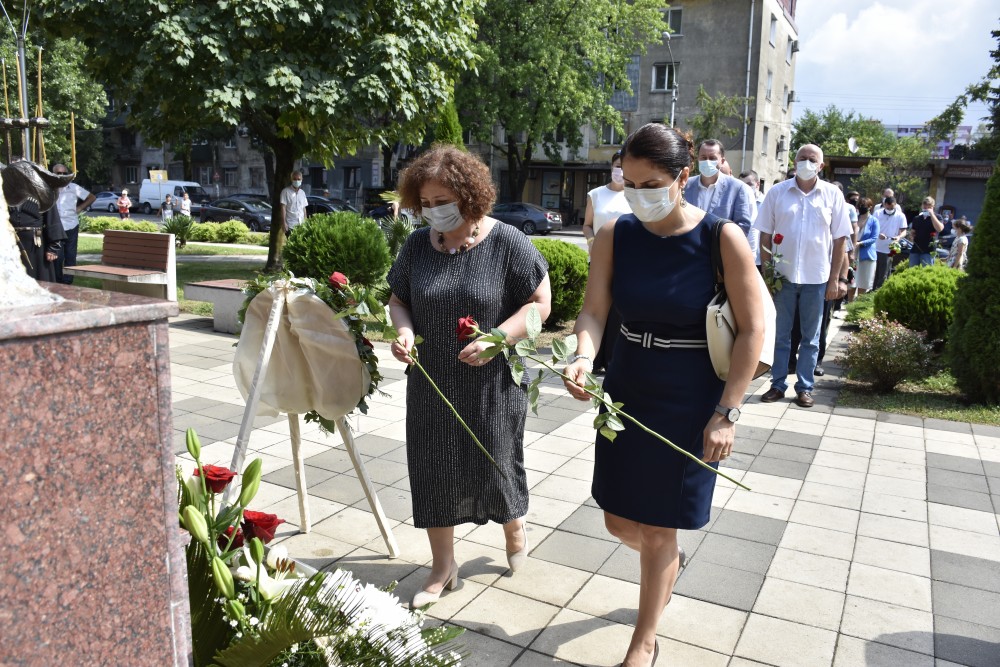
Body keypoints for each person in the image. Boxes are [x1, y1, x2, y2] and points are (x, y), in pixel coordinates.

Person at [563, 123, 764, 667]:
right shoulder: (616, 235)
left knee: (657, 527)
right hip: (627, 387)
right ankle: (667, 562)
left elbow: (752, 330)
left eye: (649, 183)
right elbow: (594, 311)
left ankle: (643, 640)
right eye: (628, 183)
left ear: (682, 178)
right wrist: (583, 355)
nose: (637, 194)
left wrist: (727, 412)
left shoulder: (721, 238)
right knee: (618, 519)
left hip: (691, 395)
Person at [386, 146, 551, 610]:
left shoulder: (507, 241)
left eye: (442, 199)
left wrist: (499, 337)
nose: (433, 209)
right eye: (425, 201)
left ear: (468, 194)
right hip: (431, 380)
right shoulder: (419, 245)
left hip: (492, 382)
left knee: (496, 460)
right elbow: (399, 299)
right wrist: (404, 331)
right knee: (433, 467)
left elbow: (540, 303)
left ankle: (513, 526)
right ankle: (444, 566)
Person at [754, 144, 851, 408]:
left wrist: (836, 280)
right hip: (782, 279)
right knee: (780, 335)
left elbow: (840, 239)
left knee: (811, 337)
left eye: (812, 159)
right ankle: (777, 384)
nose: (806, 162)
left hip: (817, 279)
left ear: (821, 166)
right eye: (802, 158)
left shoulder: (832, 195)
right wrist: (767, 273)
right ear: (794, 162)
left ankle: (805, 387)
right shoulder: (777, 192)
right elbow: (764, 234)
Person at [582, 150, 631, 373]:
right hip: (600, 258)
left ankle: (612, 359)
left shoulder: (633, 194)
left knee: (617, 311)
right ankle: (593, 358)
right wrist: (592, 240)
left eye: (623, 166)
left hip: (624, 260)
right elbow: (587, 224)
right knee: (596, 306)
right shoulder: (596, 194)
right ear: (611, 167)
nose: (619, 170)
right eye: (616, 165)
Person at [684, 140, 755, 244]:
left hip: (721, 253)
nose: (707, 161)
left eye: (712, 158)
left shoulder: (737, 188)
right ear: (698, 159)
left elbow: (742, 226)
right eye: (703, 158)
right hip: (689, 250)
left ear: (722, 161)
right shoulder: (685, 186)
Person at [51, 163, 96, 285]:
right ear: (53, 174)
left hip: (71, 224)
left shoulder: (73, 187)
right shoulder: (49, 188)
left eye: (64, 173)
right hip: (56, 226)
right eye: (58, 173)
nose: (61, 176)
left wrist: (80, 207)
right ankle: (58, 281)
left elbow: (91, 197)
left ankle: (68, 282)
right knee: (57, 257)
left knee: (70, 256)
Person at [872, 195, 907, 290]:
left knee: (884, 273)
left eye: (892, 207)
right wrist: (878, 234)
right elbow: (871, 227)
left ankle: (878, 291)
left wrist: (899, 237)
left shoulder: (900, 216)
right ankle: (872, 290)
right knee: (874, 272)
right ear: (884, 205)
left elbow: (904, 231)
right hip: (876, 246)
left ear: (895, 205)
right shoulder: (877, 213)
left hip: (889, 249)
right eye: (888, 207)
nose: (890, 209)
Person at [852, 197, 880, 297]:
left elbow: (874, 238)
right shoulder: (855, 218)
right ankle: (849, 304)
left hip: (867, 255)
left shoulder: (874, 221)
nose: (861, 207)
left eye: (864, 205)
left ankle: (858, 306)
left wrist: (860, 243)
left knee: (863, 282)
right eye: (860, 205)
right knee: (851, 282)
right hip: (854, 254)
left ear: (870, 207)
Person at [738, 170, 765, 272]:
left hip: (762, 259)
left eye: (749, 184)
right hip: (745, 257)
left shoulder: (766, 202)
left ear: (757, 184)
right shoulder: (739, 205)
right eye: (742, 184)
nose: (746, 188)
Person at [908, 196, 944, 267]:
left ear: (932, 207)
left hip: (928, 250)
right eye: (924, 206)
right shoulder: (917, 218)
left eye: (928, 207)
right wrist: (911, 236)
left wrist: (932, 215)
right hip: (916, 249)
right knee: (912, 269)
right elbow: (913, 231)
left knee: (927, 270)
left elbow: (939, 229)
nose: (926, 208)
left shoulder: (938, 217)